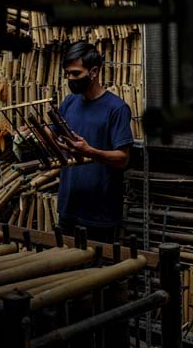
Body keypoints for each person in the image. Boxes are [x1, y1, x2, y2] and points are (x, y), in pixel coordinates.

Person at [55, 41, 133, 243]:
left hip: (99, 212)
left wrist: (90, 151)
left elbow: (123, 159)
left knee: (96, 271)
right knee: (65, 268)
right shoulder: (69, 103)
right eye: (67, 74)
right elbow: (52, 134)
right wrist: (29, 132)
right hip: (68, 206)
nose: (70, 79)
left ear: (94, 72)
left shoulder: (116, 108)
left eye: (75, 74)